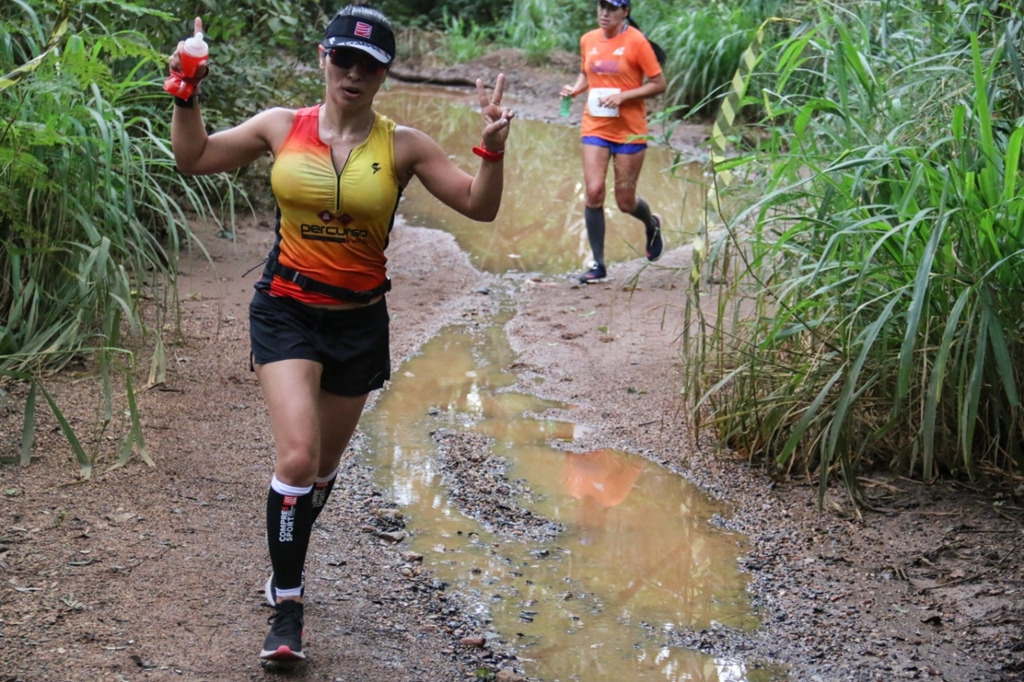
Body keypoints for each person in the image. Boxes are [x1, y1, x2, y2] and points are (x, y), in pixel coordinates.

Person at [168, 5, 514, 663]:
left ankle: (288, 546)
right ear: (324, 59)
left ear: (384, 75)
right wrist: (187, 94)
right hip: (286, 311)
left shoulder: (403, 145)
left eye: (368, 64)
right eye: (342, 58)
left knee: (322, 471)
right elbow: (195, 157)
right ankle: (287, 606)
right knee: (296, 457)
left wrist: (491, 152)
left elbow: (480, 204)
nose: (352, 73)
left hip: (358, 324)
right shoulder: (281, 126)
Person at [560, 0, 667, 283]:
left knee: (625, 201)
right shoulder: (588, 39)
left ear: (625, 13)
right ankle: (597, 264)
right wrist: (575, 88)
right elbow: (587, 73)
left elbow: (658, 83)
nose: (604, 13)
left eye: (612, 8)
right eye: (601, 6)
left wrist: (623, 96)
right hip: (595, 126)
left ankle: (651, 224)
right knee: (594, 192)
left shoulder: (636, 42)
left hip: (629, 131)